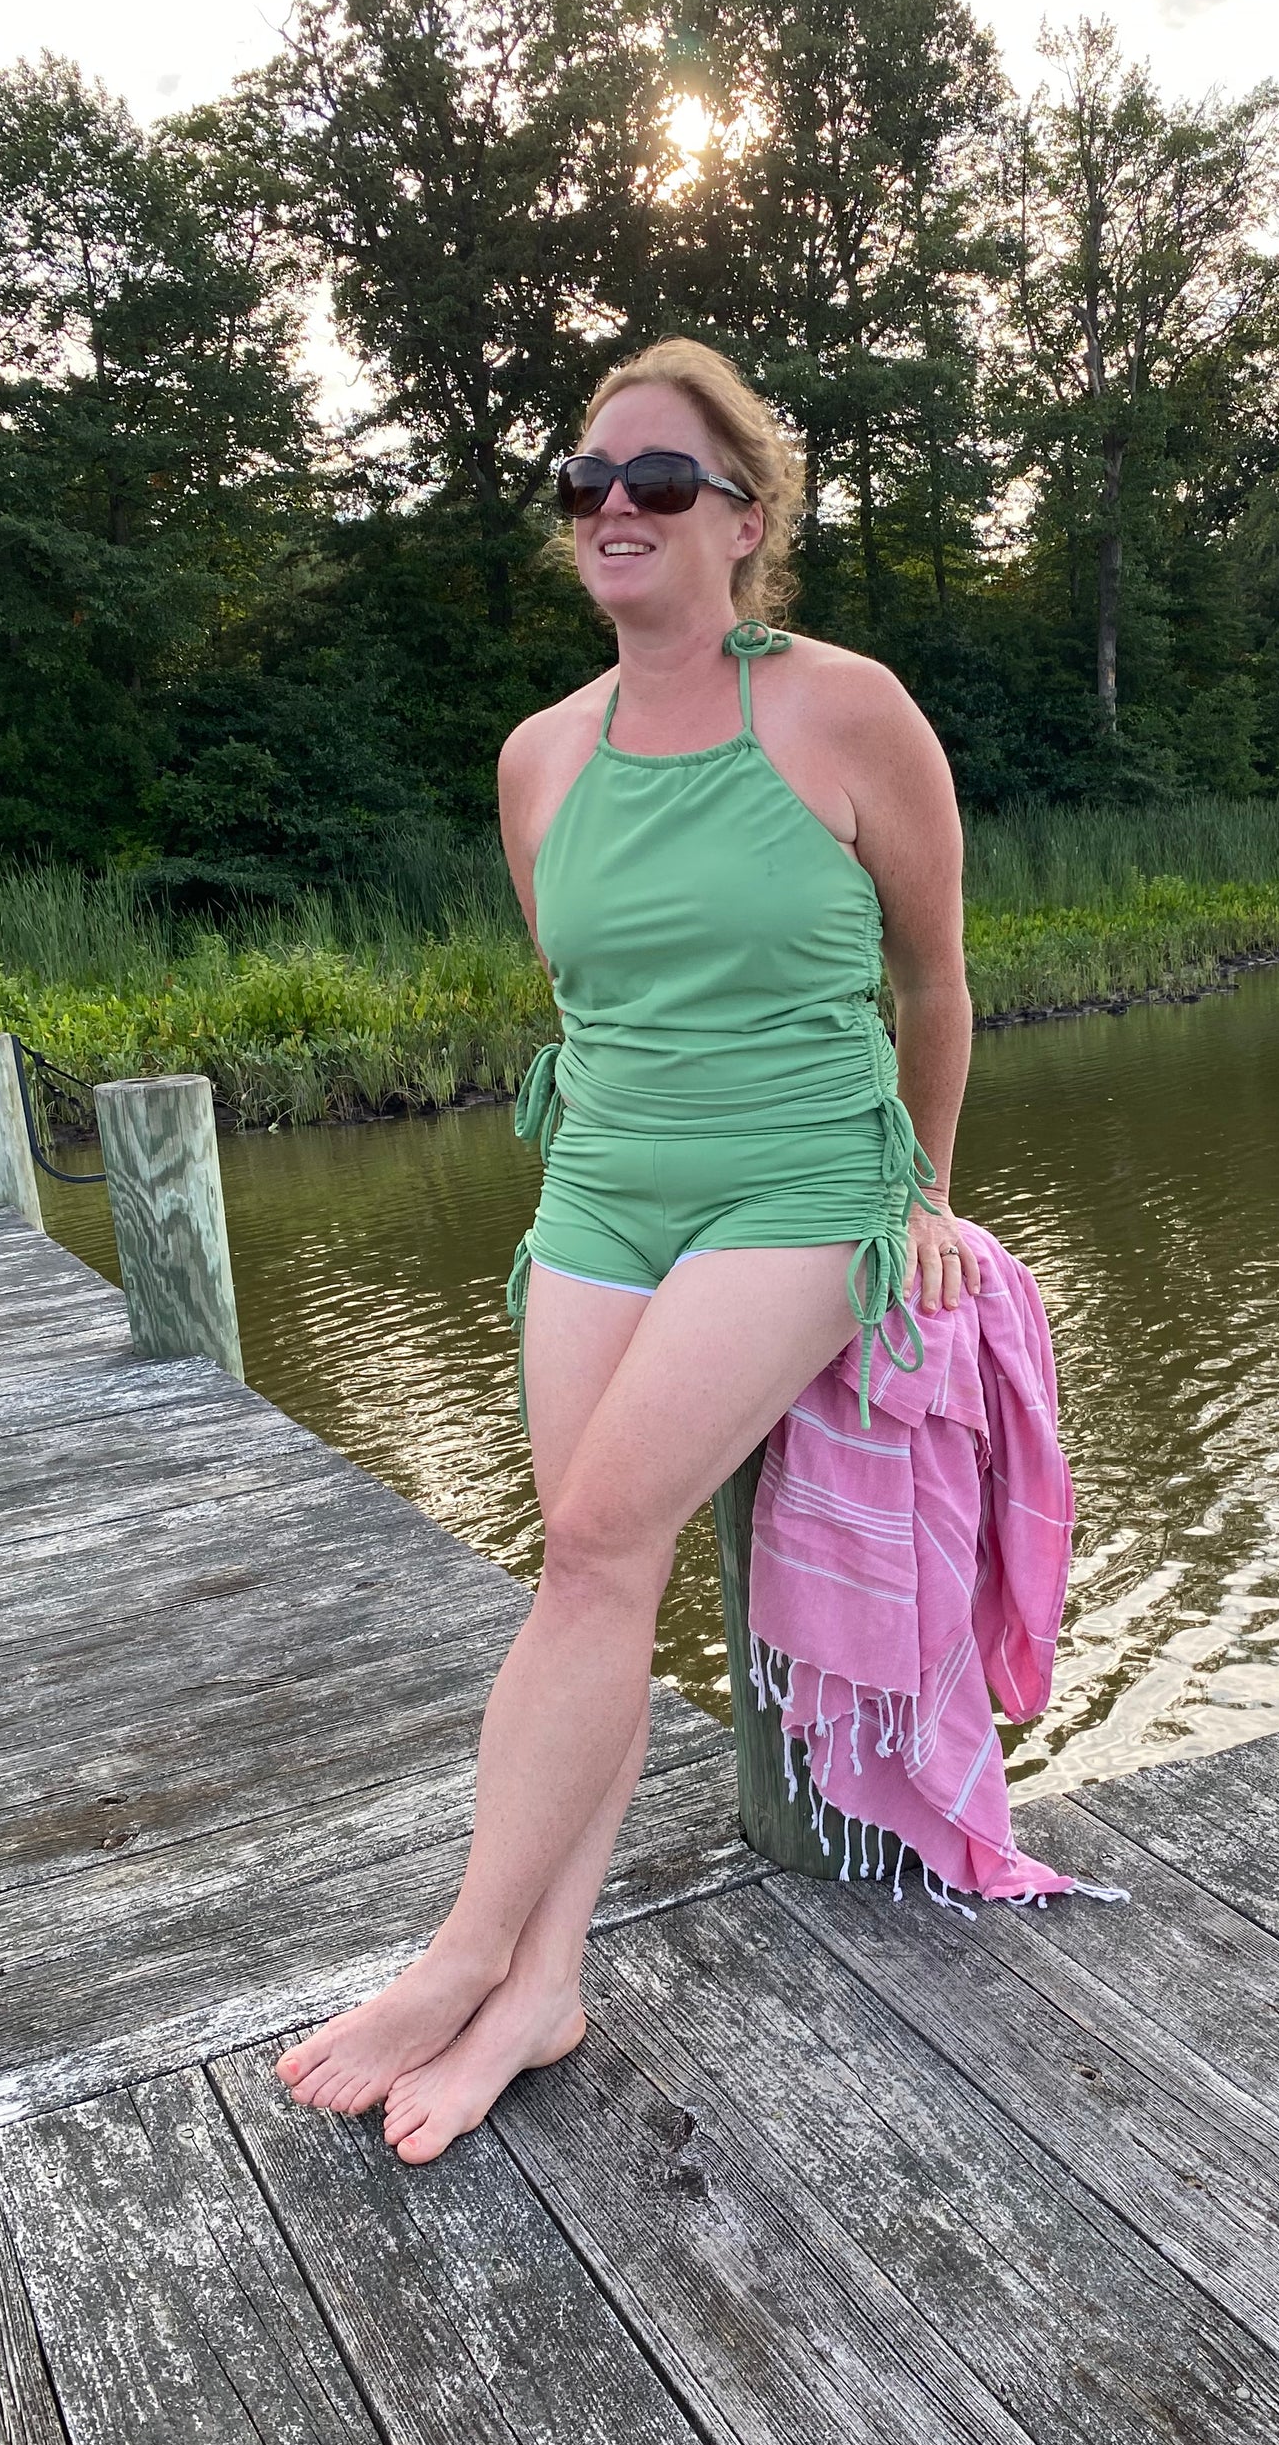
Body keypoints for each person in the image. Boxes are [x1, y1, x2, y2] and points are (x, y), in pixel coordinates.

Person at [277, 338, 983, 2162]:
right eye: (587, 479)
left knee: (593, 1543)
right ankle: (543, 1984)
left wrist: (920, 1195)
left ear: (744, 522)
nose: (614, 503)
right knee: (592, 1571)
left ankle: (462, 1955)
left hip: (797, 1179)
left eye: (659, 479)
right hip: (600, 1185)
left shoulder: (844, 709)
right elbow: (591, 1001)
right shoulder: (539, 757)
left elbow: (935, 981)